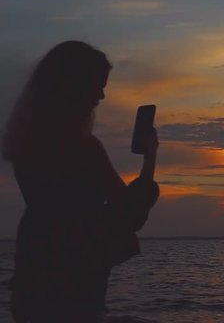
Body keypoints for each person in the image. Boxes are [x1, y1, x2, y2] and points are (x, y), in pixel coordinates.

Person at [2, 41, 160, 322]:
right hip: (74, 284)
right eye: (97, 85)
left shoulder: (26, 143)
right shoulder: (83, 148)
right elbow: (129, 212)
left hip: (31, 280)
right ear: (73, 87)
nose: (101, 95)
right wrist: (149, 161)